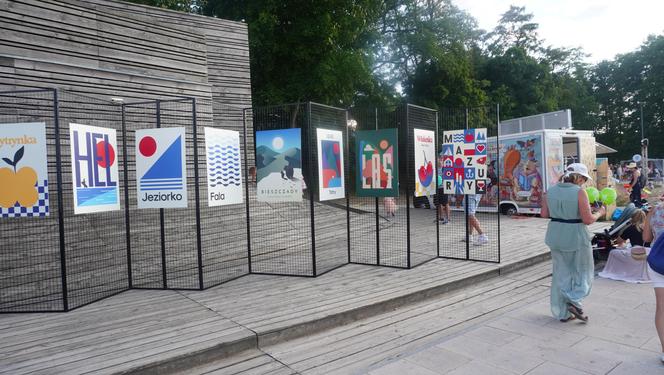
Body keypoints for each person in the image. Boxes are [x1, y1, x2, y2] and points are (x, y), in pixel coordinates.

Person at [541, 163, 606, 322]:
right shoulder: (579, 192)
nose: (584, 182)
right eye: (584, 179)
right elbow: (588, 219)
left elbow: (544, 214)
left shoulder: (550, 190)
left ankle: (563, 312)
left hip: (555, 234)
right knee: (583, 271)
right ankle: (575, 302)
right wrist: (599, 212)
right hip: (575, 235)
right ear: (579, 177)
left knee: (561, 273)